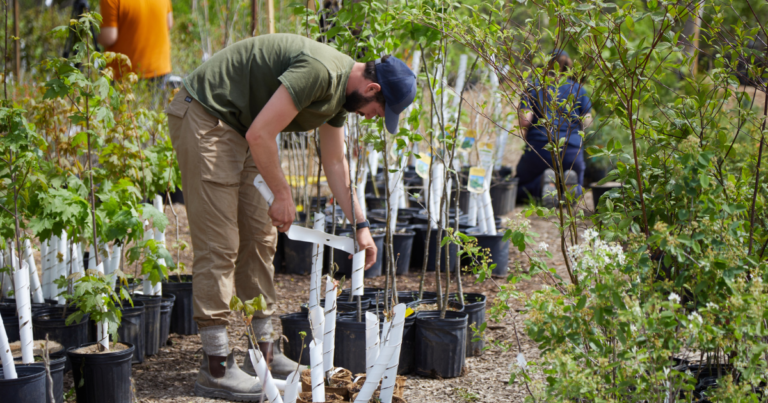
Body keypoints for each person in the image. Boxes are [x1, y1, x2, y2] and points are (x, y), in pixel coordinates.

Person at [164, 33, 416, 401]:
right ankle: (216, 366)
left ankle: (264, 353)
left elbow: (334, 161)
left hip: (243, 129)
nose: (373, 117)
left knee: (260, 239)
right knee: (220, 243)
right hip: (208, 118)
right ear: (372, 88)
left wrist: (360, 225)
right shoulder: (321, 72)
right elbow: (261, 133)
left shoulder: (340, 96)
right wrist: (282, 194)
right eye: (379, 110)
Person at [515, 49, 593, 207]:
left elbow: (525, 121)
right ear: (569, 66)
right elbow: (587, 121)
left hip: (540, 149)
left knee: (518, 188)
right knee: (578, 186)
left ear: (546, 64)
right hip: (572, 150)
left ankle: (542, 185)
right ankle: (569, 188)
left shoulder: (533, 86)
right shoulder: (578, 89)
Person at [98, 0, 173, 83]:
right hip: (159, 69)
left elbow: (109, 38)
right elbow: (169, 23)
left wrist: (95, 36)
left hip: (123, 73)